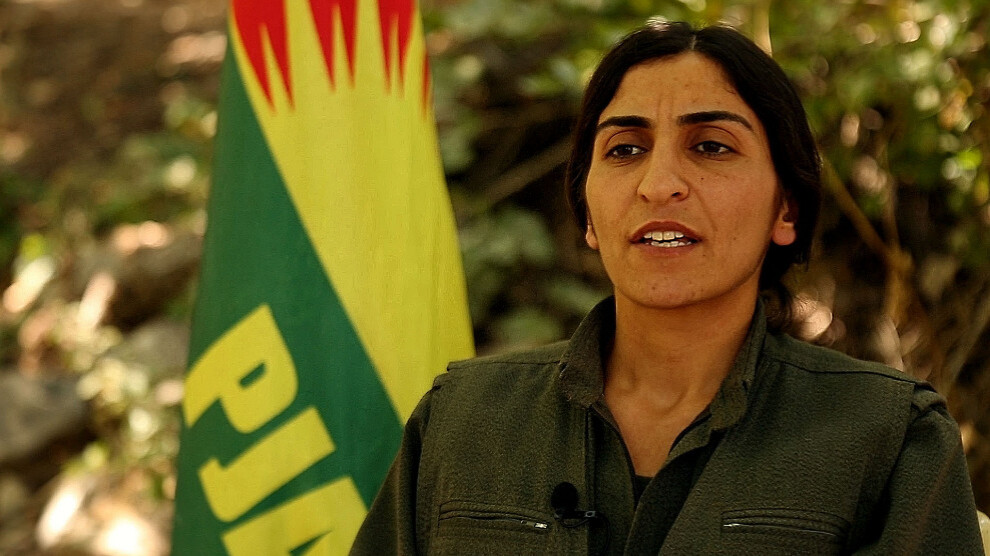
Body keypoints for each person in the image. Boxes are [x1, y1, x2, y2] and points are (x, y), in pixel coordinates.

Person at [350, 20, 983, 555]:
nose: (658, 185)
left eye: (710, 146)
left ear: (786, 208)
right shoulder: (461, 420)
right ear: (588, 213)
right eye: (624, 150)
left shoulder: (888, 437)